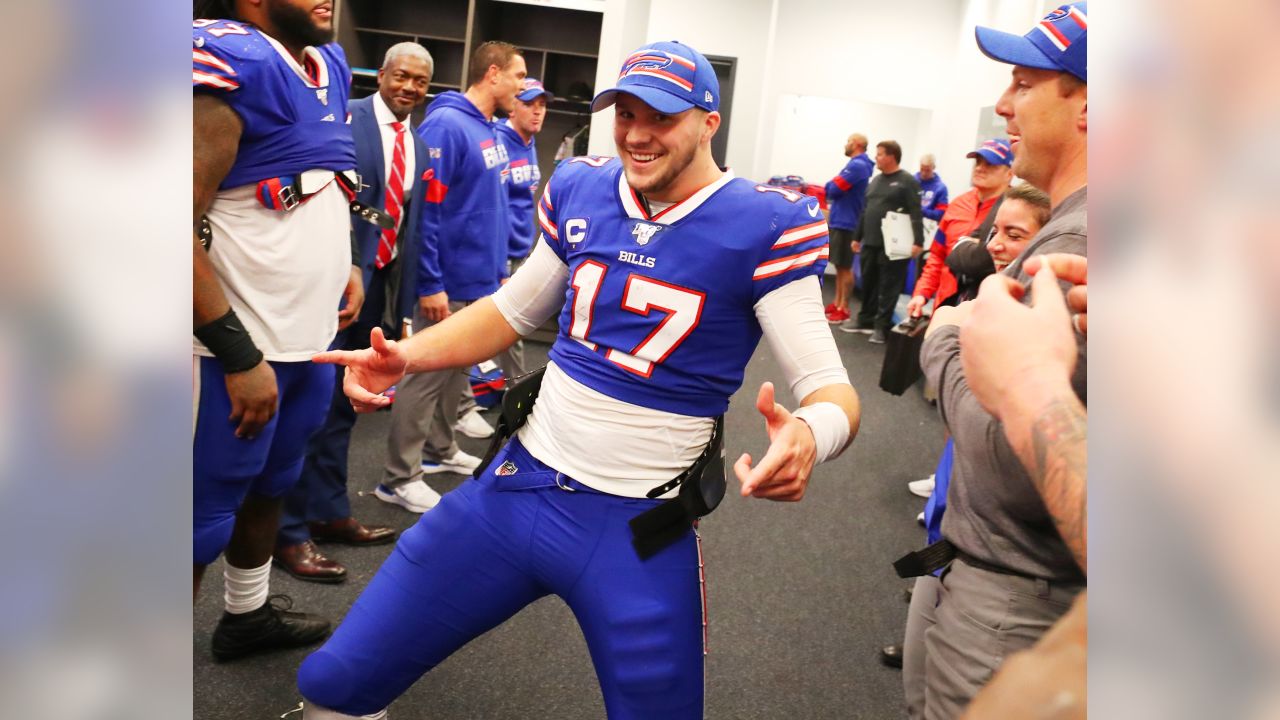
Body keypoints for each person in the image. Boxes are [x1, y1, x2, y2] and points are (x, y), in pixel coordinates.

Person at [297, 40, 861, 719]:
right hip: (515, 492)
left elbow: (833, 388)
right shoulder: (585, 186)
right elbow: (510, 312)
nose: (638, 133)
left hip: (636, 527)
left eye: (662, 116)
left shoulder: (761, 222)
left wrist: (810, 433)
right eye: (624, 113)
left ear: (710, 122)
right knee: (335, 682)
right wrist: (408, 356)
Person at [903, 4, 1089, 717]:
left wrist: (947, 338)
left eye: (1022, 84)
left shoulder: (1084, 240)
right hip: (987, 575)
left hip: (1015, 599)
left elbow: (1014, 463)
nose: (1004, 106)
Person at [191, 0, 355, 660]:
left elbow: (313, 178)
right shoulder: (230, 61)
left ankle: (247, 615)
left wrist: (342, 264)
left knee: (274, 481)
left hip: (309, 340)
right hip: (232, 346)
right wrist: (235, 352)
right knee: (200, 514)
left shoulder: (328, 62)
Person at [272, 42, 435, 583]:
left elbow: (408, 225)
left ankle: (328, 510)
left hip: (381, 289)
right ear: (382, 75)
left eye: (420, 81)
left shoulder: (418, 141)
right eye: (402, 76)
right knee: (311, 407)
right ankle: (288, 530)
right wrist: (350, 266)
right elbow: (325, 195)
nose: (409, 87)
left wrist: (400, 304)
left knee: (346, 408)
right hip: (336, 282)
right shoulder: (348, 116)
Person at [894, 183, 1054, 712]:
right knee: (917, 690)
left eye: (1016, 235)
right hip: (949, 534)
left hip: (992, 560)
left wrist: (944, 342)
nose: (998, 245)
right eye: (995, 233)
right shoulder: (984, 303)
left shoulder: (1031, 330)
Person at [375, 41, 526, 514]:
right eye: (519, 77)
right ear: (494, 74)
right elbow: (429, 213)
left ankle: (440, 450)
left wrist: (498, 273)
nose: (522, 88)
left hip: (480, 280)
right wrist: (430, 283)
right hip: (447, 281)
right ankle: (398, 477)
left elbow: (492, 211)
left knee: (454, 377)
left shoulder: (491, 129)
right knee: (423, 378)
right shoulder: (446, 123)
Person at [450, 75, 552, 440]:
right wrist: (499, 260)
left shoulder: (531, 143)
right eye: (530, 103)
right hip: (493, 255)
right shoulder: (499, 142)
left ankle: (512, 397)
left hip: (517, 253)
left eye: (542, 105)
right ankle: (481, 403)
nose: (538, 111)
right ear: (515, 106)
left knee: (509, 332)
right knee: (489, 329)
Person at [905, 139, 1012, 320]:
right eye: (978, 162)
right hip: (945, 306)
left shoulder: (1014, 209)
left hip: (985, 310)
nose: (980, 168)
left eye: (990, 164)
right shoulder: (957, 204)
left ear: (1009, 173)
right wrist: (922, 292)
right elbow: (937, 255)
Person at [842, 140, 924, 343]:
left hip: (894, 246)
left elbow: (916, 212)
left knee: (889, 286)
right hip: (870, 242)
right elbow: (865, 210)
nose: (876, 158)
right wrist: (856, 237)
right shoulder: (876, 181)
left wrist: (918, 241)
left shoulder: (907, 181)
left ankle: (881, 326)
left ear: (891, 156)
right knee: (868, 283)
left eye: (879, 154)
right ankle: (865, 320)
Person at [822, 133, 874, 324]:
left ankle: (844, 308)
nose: (846, 144)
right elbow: (831, 187)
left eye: (849, 141)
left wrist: (832, 183)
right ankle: (836, 304)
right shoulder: (856, 165)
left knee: (845, 267)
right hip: (841, 220)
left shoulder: (857, 166)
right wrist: (832, 184)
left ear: (857, 144)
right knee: (839, 266)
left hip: (847, 222)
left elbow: (833, 189)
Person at [915, 154, 949, 223]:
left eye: (927, 170)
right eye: (922, 169)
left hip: (927, 226)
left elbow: (941, 214)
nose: (924, 173)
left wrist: (921, 211)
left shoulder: (941, 188)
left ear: (933, 168)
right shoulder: (912, 181)